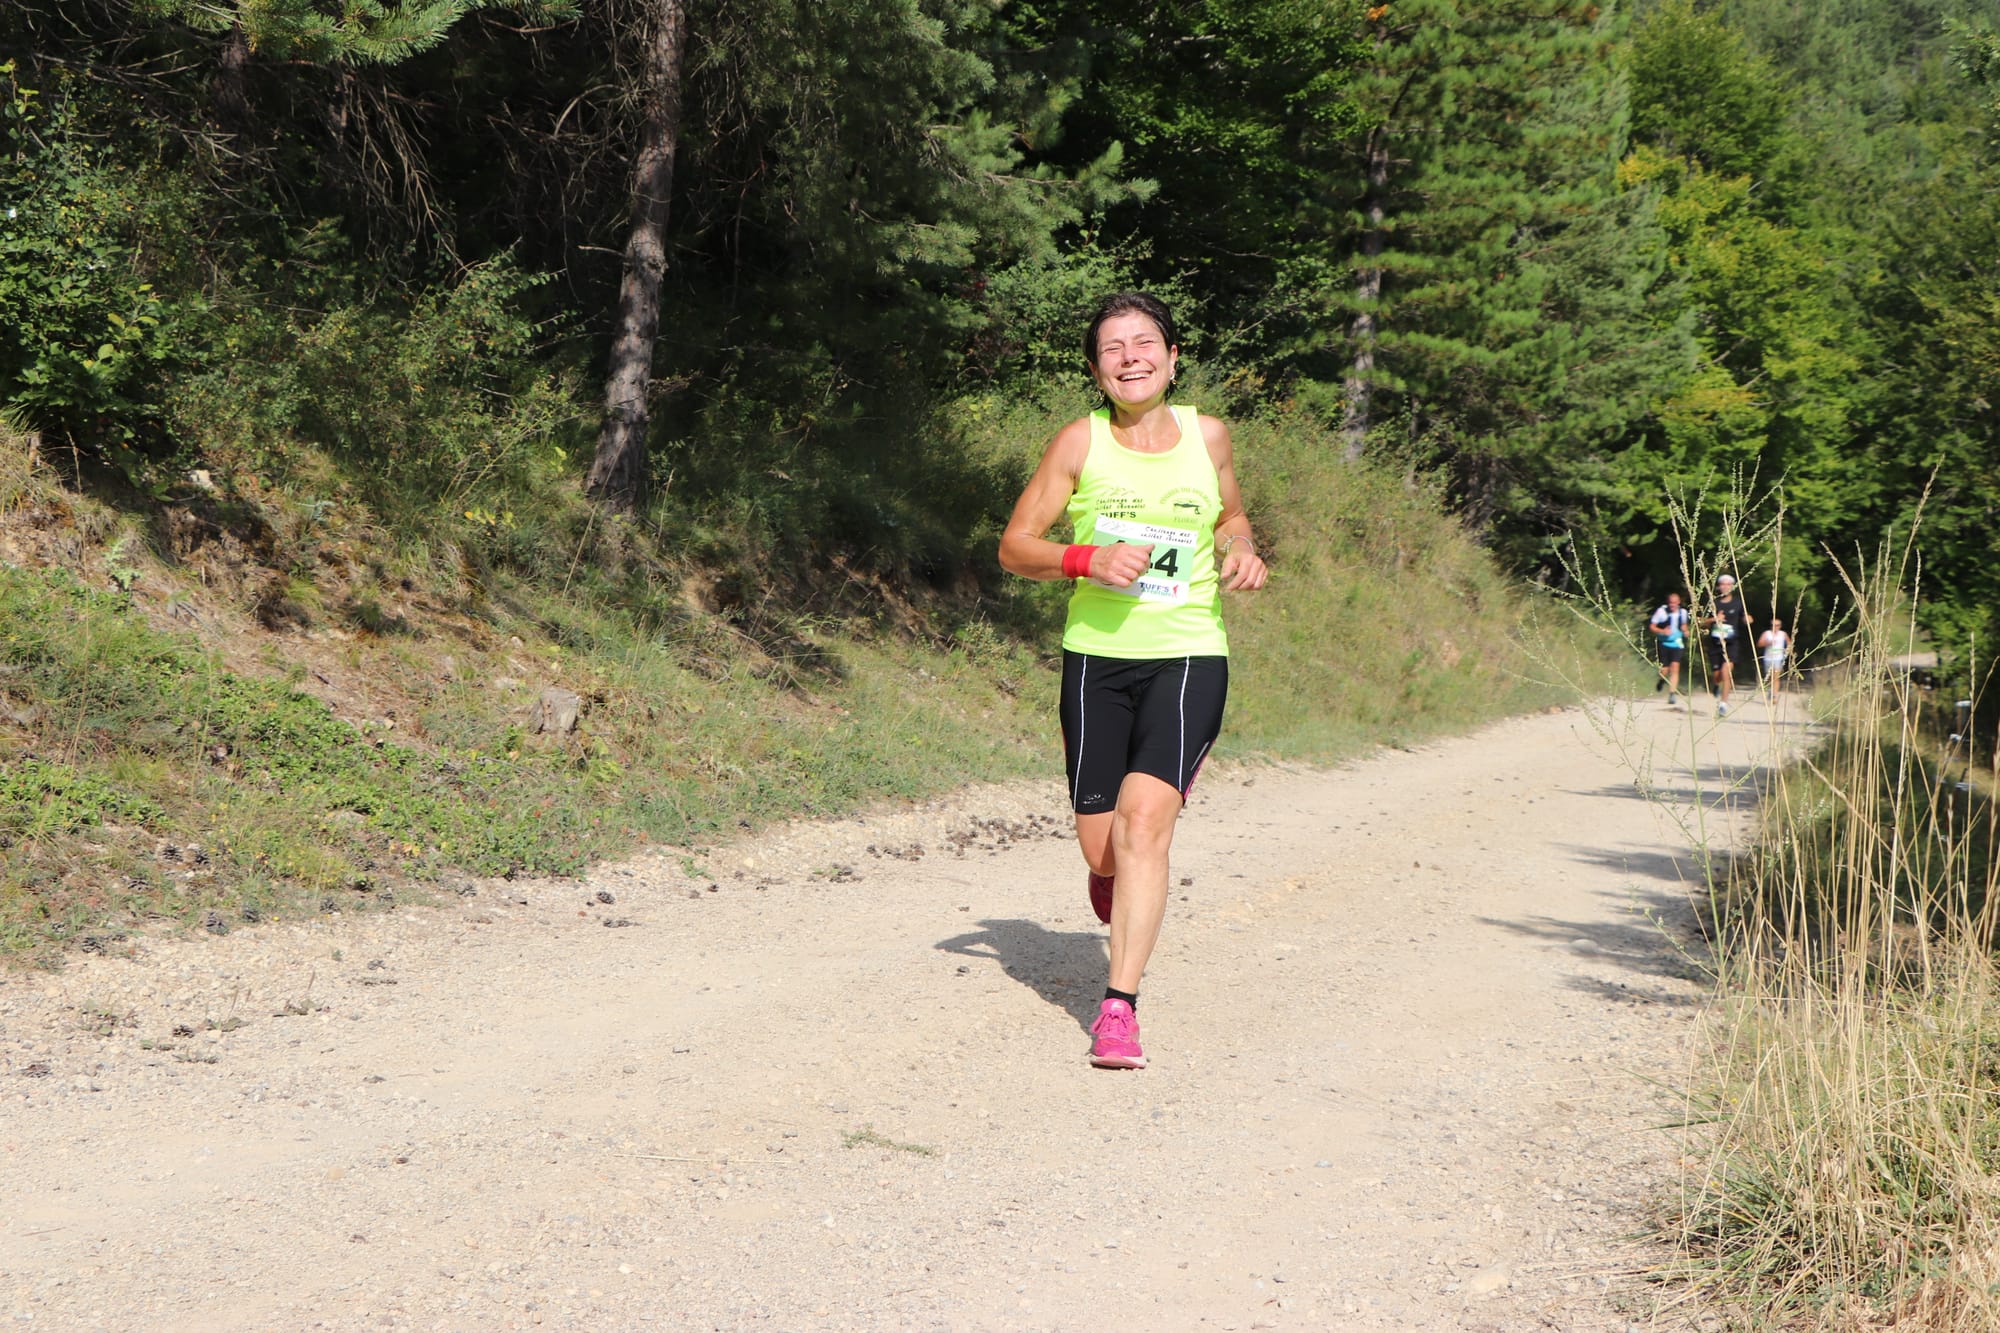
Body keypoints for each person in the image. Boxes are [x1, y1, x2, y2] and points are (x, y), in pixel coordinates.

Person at [998, 292, 1268, 1070]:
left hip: (1189, 651)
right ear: (1095, 369)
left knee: (1146, 821)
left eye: (1143, 342)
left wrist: (1242, 547)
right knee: (1104, 846)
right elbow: (1015, 546)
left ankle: (1119, 1007)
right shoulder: (1078, 445)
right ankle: (1115, 876)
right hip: (1096, 658)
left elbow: (1231, 516)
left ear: (1172, 357)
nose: (1130, 356)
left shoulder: (1208, 434)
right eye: (1112, 348)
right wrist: (1084, 559)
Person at [1702, 573, 1755, 717]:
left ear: (1732, 587)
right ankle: (1716, 685)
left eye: (1728, 584)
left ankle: (1723, 704)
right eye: (1722, 584)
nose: (1725, 587)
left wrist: (1748, 619)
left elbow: (1746, 617)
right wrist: (1714, 619)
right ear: (1719, 587)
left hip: (1732, 644)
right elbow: (1700, 621)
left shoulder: (1738, 602)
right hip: (1715, 644)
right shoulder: (1713, 603)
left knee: (1726, 673)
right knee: (1717, 675)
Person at [1648, 591, 1690, 707]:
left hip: (1677, 643)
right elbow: (1652, 626)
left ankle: (1672, 694)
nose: (1673, 605)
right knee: (1664, 670)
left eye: (1675, 603)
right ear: (1668, 603)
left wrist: (1686, 631)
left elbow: (1683, 626)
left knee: (1675, 668)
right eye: (1671, 603)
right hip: (1664, 643)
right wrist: (1662, 631)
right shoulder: (1661, 612)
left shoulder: (1683, 612)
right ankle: (1662, 680)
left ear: (1679, 602)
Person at [1758, 617, 1791, 695]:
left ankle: (1774, 695)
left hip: (1778, 658)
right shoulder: (1766, 633)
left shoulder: (1783, 634)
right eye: (1773, 625)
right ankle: (1770, 690)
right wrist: (1768, 643)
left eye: (1777, 625)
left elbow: (1789, 643)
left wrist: (1788, 651)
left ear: (1780, 626)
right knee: (1769, 676)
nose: (1775, 627)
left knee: (1776, 677)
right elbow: (1759, 644)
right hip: (1768, 658)